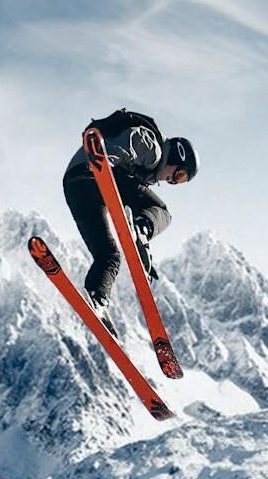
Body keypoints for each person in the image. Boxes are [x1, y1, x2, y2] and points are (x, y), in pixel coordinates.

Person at [63, 110, 198, 337]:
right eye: (180, 175)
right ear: (177, 156)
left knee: (109, 255)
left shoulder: (148, 167)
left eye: (180, 182)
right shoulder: (153, 148)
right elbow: (129, 143)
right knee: (162, 212)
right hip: (96, 171)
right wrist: (102, 164)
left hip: (76, 187)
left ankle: (97, 299)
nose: (173, 181)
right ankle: (143, 228)